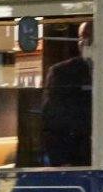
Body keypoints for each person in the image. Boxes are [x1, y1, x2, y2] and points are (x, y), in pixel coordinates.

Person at [40, 21, 94, 166]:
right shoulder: (61, 72)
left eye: (91, 36)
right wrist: (61, 161)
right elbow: (52, 120)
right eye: (82, 37)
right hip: (74, 157)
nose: (85, 42)